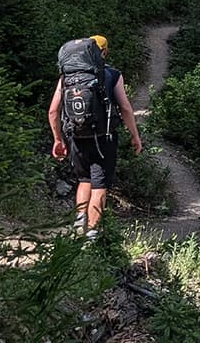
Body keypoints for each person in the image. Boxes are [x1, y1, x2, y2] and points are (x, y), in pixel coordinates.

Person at [47, 34, 142, 237]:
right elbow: (125, 107)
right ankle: (91, 236)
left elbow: (53, 111)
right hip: (103, 137)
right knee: (99, 185)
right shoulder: (112, 75)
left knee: (84, 180)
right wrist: (135, 135)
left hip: (76, 136)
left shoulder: (67, 76)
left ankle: (78, 225)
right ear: (104, 52)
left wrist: (58, 139)